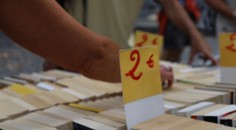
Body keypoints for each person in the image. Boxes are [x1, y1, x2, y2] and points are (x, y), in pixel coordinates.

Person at [0, 0, 215, 87]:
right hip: (77, 63)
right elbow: (95, 58)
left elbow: (173, 6)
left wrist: (196, 36)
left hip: (115, 62)